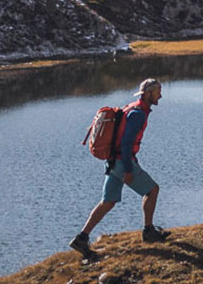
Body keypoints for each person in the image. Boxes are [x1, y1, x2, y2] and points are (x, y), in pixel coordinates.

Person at [70, 78, 170, 259]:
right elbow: (126, 143)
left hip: (112, 160)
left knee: (107, 201)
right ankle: (148, 231)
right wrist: (129, 169)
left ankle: (81, 238)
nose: (160, 96)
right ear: (148, 94)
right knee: (152, 190)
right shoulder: (138, 113)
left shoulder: (131, 107)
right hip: (121, 162)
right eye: (157, 92)